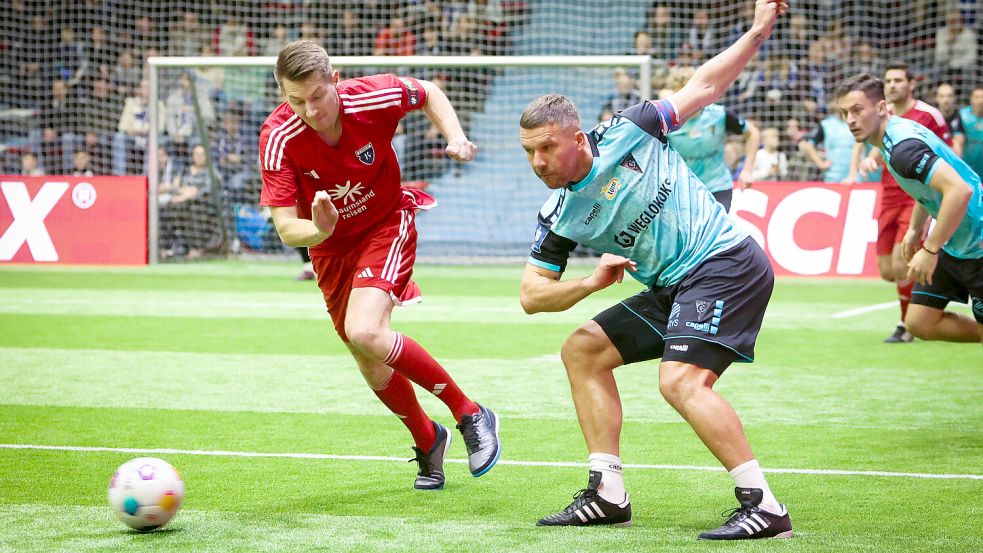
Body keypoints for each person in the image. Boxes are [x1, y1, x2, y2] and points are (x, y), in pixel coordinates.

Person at [517, 0, 791, 539]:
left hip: (725, 262)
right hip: (674, 286)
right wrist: (589, 282)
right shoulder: (559, 214)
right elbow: (530, 295)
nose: (539, 162)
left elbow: (706, 86)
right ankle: (607, 493)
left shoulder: (631, 129)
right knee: (582, 349)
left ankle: (765, 504)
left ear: (577, 138)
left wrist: (758, 31)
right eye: (529, 153)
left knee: (681, 381)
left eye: (547, 148)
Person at [259, 40, 501, 490]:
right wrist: (321, 230)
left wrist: (455, 137)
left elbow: (427, 91)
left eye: (317, 96)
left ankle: (470, 412)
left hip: (387, 224)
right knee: (367, 358)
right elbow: (287, 229)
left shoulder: (372, 96)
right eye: (296, 101)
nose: (310, 110)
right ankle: (429, 440)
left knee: (366, 330)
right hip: (330, 250)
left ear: (335, 80)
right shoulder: (277, 137)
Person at [836, 74, 982, 345]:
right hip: (957, 240)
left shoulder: (903, 149)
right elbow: (927, 188)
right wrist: (915, 229)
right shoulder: (893, 136)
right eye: (844, 113)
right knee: (919, 322)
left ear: (881, 108)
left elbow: (959, 191)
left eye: (857, 110)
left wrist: (930, 249)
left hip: (977, 240)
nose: (850, 120)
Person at [850, 62, 953, 344]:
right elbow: (881, 145)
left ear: (911, 84)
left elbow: (945, 152)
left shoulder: (929, 115)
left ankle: (906, 324)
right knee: (887, 269)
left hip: (916, 195)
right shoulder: (883, 115)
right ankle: (931, 287)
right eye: (889, 80)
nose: (893, 84)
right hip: (888, 195)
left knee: (900, 262)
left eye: (898, 80)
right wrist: (873, 158)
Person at [661, 66, 760, 211]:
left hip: (718, 187)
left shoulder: (718, 114)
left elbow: (752, 133)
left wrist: (748, 170)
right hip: (683, 191)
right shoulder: (667, 122)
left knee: (716, 232)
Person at [935, 83, 965, 157]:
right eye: (942, 96)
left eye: (949, 96)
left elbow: (958, 150)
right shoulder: (931, 117)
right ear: (936, 98)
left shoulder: (962, 117)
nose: (946, 100)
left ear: (954, 98)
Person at [959, 86, 983, 179]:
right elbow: (957, 141)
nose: (981, 101)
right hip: (966, 168)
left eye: (982, 97)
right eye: (977, 97)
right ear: (971, 99)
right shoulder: (962, 116)